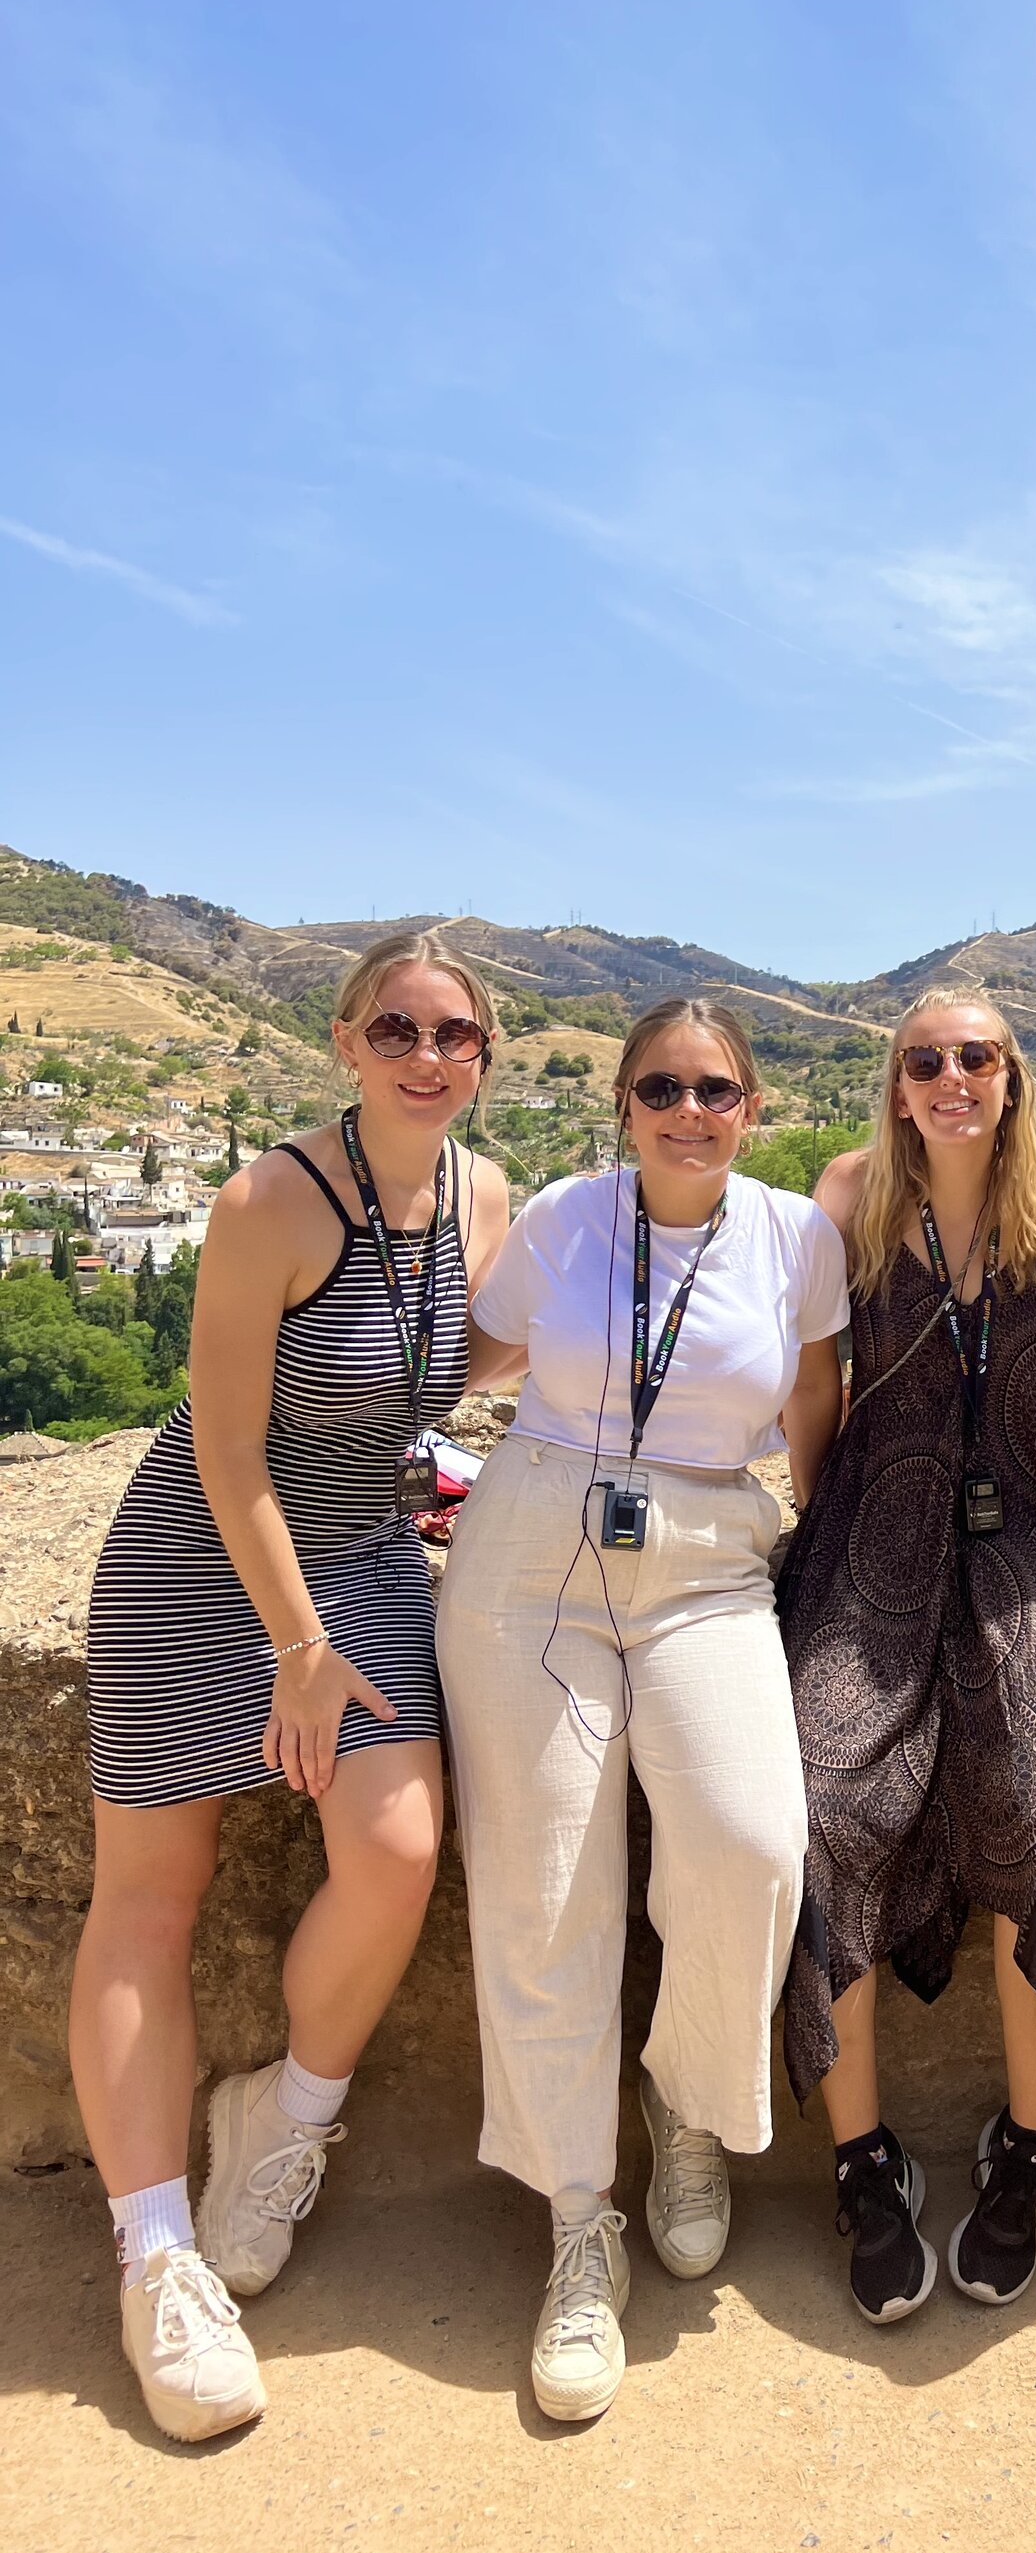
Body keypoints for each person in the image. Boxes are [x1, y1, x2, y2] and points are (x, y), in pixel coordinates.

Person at [73, 931, 506, 2442]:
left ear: (486, 1059)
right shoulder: (270, 1198)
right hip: (210, 1564)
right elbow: (224, 1445)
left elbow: (494, 1355)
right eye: (397, 1026)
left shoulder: (482, 1197)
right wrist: (297, 1647)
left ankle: (284, 2122)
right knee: (152, 1891)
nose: (427, 1054)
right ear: (343, 1040)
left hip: (369, 1551)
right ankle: (155, 2251)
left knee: (396, 1852)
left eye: (457, 1035)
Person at [439, 995, 846, 2423]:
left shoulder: (798, 1235)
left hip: (710, 1562)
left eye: (716, 1089)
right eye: (662, 1086)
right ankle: (575, 2221)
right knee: (545, 1884)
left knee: (750, 1845)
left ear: (753, 1108)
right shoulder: (560, 1215)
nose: (689, 1110)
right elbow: (472, 1358)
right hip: (532, 1547)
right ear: (623, 1102)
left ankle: (684, 2105)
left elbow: (813, 1410)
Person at [778, 991, 1036, 2323]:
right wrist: (812, 1538)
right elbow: (815, 1386)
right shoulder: (847, 1194)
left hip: (1027, 1533)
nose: (951, 1076)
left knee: (1035, 1813)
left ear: (1012, 1072)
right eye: (925, 1059)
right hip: (871, 1534)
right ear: (897, 1082)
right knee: (816, 1809)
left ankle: (1026, 2146)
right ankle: (861, 2160)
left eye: (976, 1055)